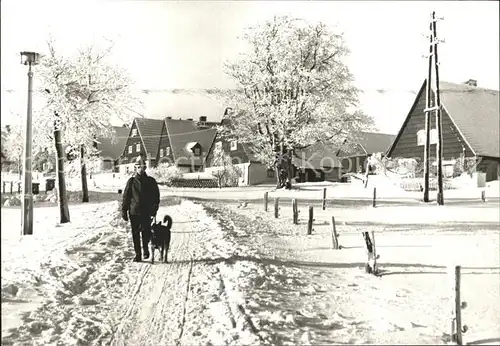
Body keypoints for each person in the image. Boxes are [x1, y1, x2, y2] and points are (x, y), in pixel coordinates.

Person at [121, 156, 160, 262]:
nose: (140, 169)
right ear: (135, 168)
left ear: (145, 168)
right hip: (133, 212)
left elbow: (156, 196)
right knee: (135, 234)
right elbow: (126, 196)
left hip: (146, 211)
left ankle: (146, 249)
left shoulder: (151, 181)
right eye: (138, 167)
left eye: (142, 167)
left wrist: (155, 208)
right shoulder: (131, 181)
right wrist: (124, 210)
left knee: (146, 232)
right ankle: (138, 254)